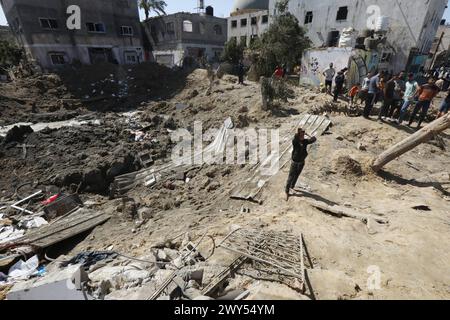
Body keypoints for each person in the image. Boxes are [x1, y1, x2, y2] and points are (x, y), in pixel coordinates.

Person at [285, 128, 317, 201]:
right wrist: (300, 132)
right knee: (290, 176)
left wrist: (308, 134)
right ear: (298, 135)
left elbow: (314, 139)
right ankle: (287, 191)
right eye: (301, 135)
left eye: (303, 135)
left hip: (301, 162)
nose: (302, 137)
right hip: (295, 162)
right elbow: (295, 136)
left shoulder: (305, 141)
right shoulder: (295, 141)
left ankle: (292, 187)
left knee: (297, 175)